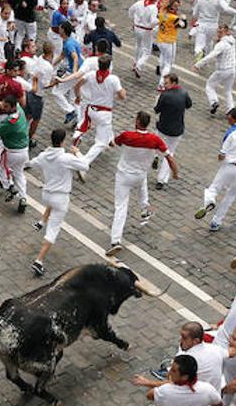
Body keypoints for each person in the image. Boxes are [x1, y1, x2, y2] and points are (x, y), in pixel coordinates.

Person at [26, 128, 98, 276]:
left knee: (51, 205)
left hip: (46, 195)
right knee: (53, 230)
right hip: (60, 198)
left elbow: (31, 163)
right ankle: (38, 261)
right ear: (63, 141)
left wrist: (45, 154)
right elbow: (85, 166)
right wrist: (77, 152)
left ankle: (41, 221)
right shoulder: (66, 158)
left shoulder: (44, 156)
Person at [106, 111, 175, 256]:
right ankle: (145, 208)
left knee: (121, 207)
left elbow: (112, 143)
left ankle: (116, 240)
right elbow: (169, 157)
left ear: (137, 122)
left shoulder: (127, 136)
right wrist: (175, 172)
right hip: (140, 175)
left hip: (124, 176)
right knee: (142, 184)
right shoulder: (154, 140)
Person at [0, 94, 31, 215]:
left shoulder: (10, 122)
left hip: (11, 152)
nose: (3, 108)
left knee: (0, 168)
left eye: (6, 107)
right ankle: (23, 197)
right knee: (19, 174)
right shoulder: (19, 110)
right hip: (24, 151)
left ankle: (9, 186)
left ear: (12, 106)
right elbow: (11, 106)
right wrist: (2, 104)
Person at [152, 74, 190, 187]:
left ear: (173, 83)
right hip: (177, 129)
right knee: (169, 154)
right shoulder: (184, 93)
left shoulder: (164, 95)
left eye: (166, 83)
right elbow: (189, 105)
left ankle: (156, 156)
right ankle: (161, 180)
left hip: (163, 127)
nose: (164, 85)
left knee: (156, 145)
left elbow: (156, 110)